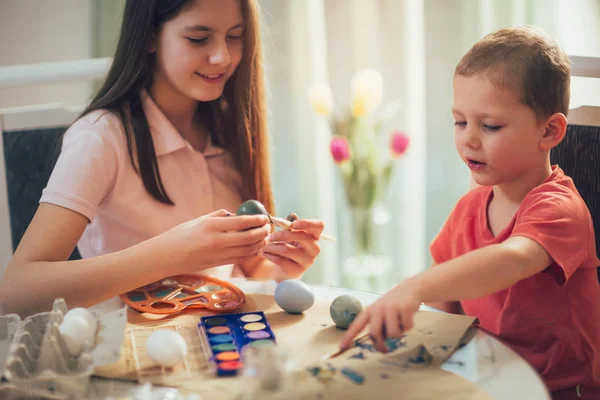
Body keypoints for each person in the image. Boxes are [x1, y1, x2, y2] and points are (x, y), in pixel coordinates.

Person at [0, 0, 323, 317]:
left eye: (235, 36)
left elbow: (251, 270)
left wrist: (283, 267)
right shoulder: (100, 139)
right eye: (198, 38)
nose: (222, 56)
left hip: (222, 340)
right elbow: (15, 294)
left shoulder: (229, 131)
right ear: (150, 35)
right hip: (134, 349)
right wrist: (174, 254)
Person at [340, 26, 600, 399]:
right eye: (460, 122)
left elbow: (512, 259)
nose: (468, 139)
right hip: (485, 377)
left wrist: (414, 286)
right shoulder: (469, 208)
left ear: (550, 131)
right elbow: (447, 306)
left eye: (489, 125)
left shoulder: (559, 209)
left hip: (560, 390)